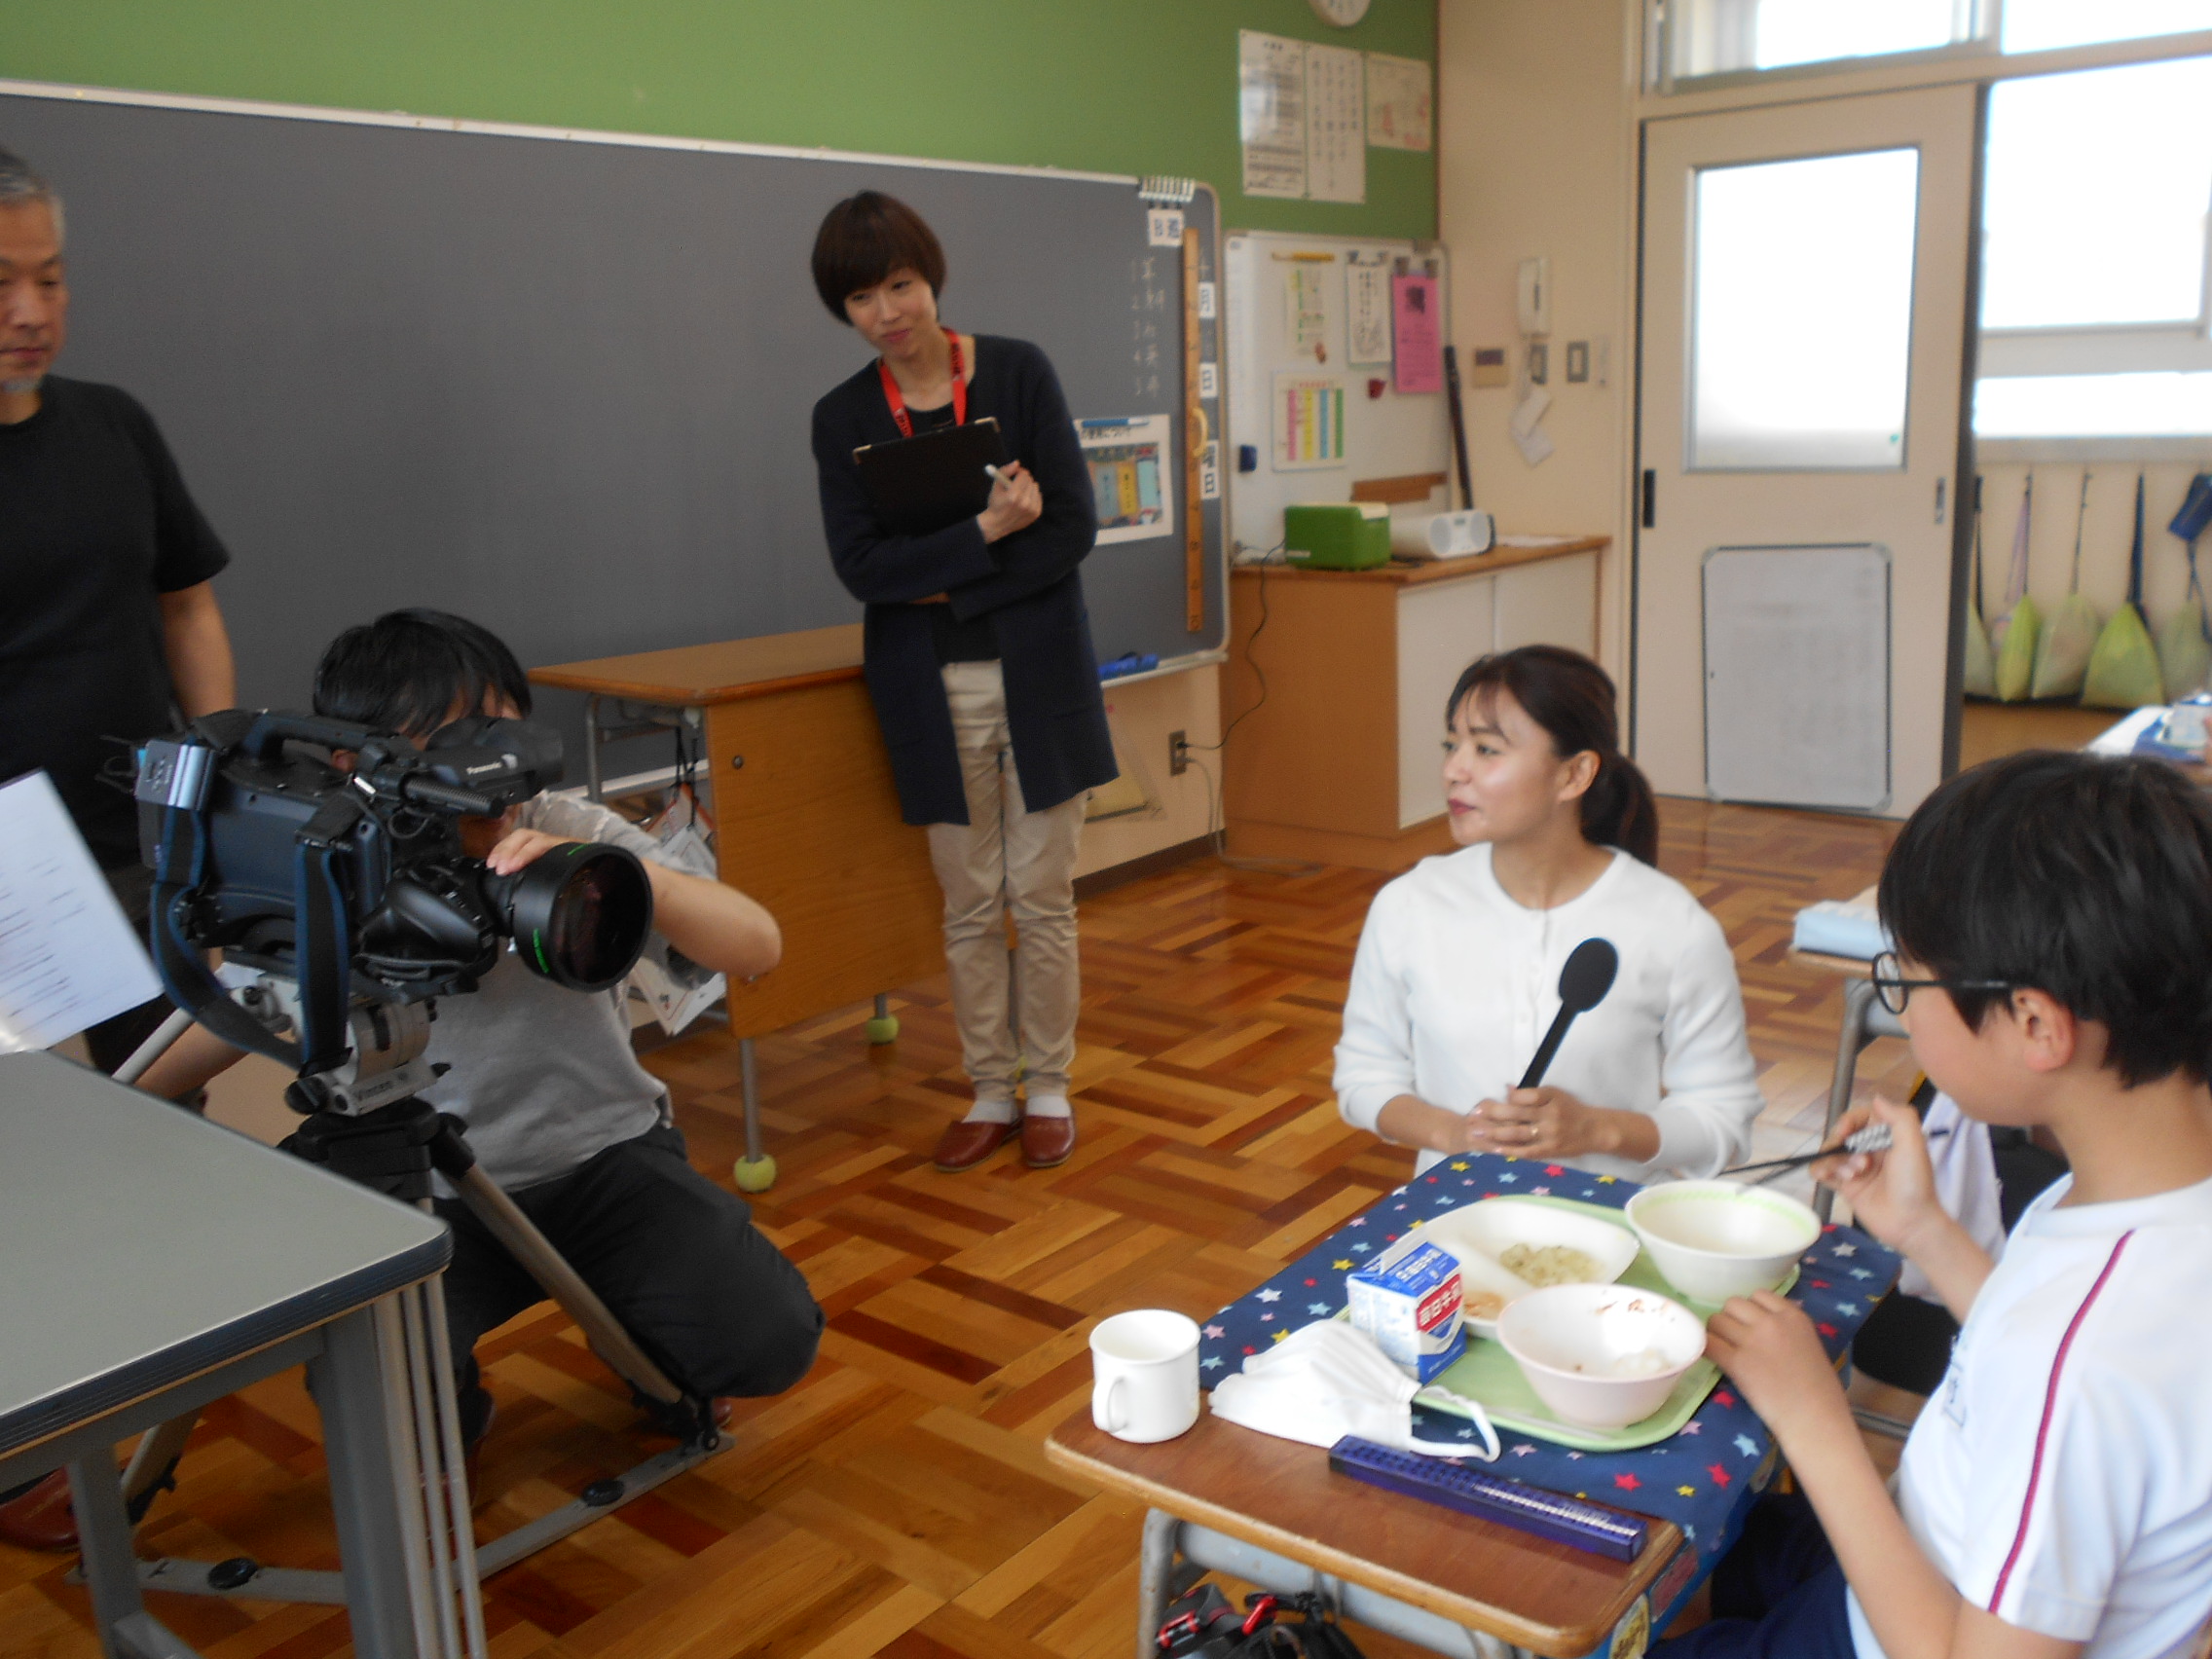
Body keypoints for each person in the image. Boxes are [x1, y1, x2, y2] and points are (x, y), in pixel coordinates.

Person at [133, 610, 824, 1485]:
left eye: (507, 733)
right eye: (457, 741)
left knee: (764, 1338)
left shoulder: (560, 822)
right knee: (389, 1419)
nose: (494, 772)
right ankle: (451, 1411)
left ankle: (645, 1344)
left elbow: (757, 945)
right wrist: (106, 1105)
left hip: (604, 1159)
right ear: (352, 760)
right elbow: (227, 1019)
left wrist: (611, 873)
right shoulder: (333, 861)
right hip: (432, 1193)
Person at [1663, 750, 2212, 1658]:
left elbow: (2059, 1373)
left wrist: (1813, 1417)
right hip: (1930, 1547)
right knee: (1709, 1551)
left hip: (1909, 1631)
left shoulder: (2083, 1361)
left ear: (2035, 1024)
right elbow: (2034, 1342)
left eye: (1908, 983)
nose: (1905, 1012)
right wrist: (1924, 1230)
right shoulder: (2143, 1188)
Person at [808, 190, 1114, 1174]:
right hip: (927, 691)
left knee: (1044, 893)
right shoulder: (843, 417)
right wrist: (985, 531)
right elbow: (864, 569)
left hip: (1039, 677)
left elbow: (1070, 527)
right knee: (972, 901)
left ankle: (1050, 1085)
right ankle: (989, 1088)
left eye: (900, 285)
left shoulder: (1017, 373)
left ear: (930, 279)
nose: (887, 312)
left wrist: (945, 580)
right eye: (862, 298)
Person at [1333, 645, 1762, 1180]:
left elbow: (1724, 1120)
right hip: (1455, 1214)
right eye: (1452, 744)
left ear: (1574, 774)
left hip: (1606, 1219)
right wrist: (1455, 1135)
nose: (1453, 770)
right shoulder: (1409, 905)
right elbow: (1364, 1075)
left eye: (1486, 749)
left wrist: (1598, 1130)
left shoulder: (1674, 926)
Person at [0, 145, 238, 1073]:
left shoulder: (114, 426)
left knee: (161, 1100)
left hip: (141, 848)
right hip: (11, 881)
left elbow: (188, 609)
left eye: (50, 279)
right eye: (1, 283)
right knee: (34, 1127)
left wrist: (216, 768)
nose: (31, 312)